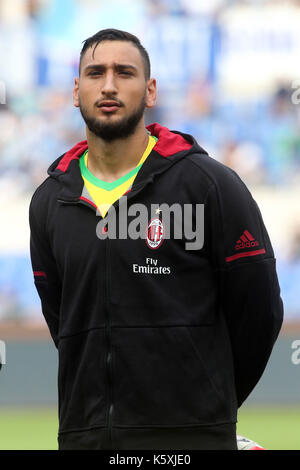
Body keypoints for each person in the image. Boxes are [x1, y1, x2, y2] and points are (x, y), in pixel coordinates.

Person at [29, 28, 284, 450]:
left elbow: (258, 313)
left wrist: (206, 407)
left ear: (150, 91)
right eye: (95, 73)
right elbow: (64, 320)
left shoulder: (210, 186)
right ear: (76, 91)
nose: (109, 85)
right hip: (85, 439)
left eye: (124, 73)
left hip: (189, 441)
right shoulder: (49, 202)